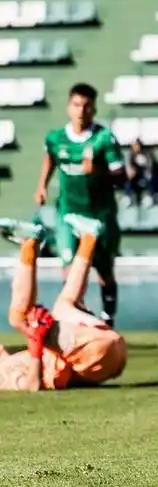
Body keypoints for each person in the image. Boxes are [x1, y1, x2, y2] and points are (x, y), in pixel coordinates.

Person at [34, 83, 125, 327]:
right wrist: (42, 184)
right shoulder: (55, 138)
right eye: (76, 105)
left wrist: (98, 171)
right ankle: (72, 318)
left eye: (86, 106)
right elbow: (50, 158)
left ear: (94, 108)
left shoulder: (104, 139)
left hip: (100, 215)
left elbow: (122, 177)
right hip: (68, 213)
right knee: (69, 267)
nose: (81, 111)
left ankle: (108, 319)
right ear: (68, 107)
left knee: (104, 271)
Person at [0, 220, 127, 391]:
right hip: (92, 356)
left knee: (63, 305)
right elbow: (31, 385)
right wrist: (35, 345)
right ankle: (29, 242)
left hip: (100, 352)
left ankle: (88, 238)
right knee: (20, 319)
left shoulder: (5, 362)